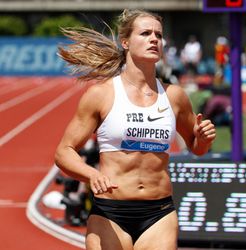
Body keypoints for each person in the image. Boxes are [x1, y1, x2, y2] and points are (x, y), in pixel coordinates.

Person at [54, 9, 216, 250]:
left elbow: (197, 147)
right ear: (126, 42)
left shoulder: (174, 96)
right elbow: (63, 152)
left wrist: (203, 139)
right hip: (110, 213)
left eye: (158, 35)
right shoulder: (102, 94)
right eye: (145, 33)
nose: (154, 39)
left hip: (158, 212)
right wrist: (92, 175)